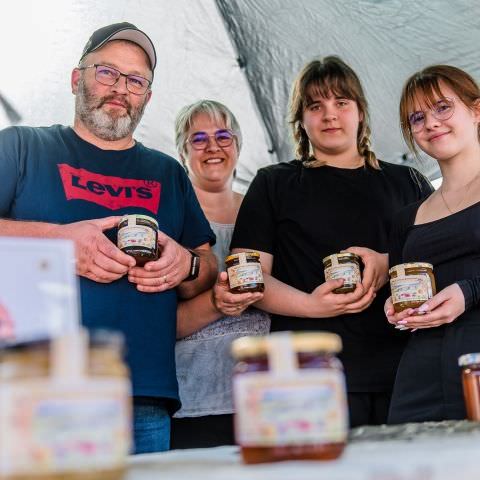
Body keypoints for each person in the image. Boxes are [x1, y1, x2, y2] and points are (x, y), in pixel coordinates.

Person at [0, 22, 217, 453]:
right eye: (107, 73)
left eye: (136, 81)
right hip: (36, 388)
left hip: (144, 395)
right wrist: (59, 243)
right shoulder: (22, 147)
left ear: (148, 98)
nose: (121, 88)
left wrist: (186, 264)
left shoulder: (168, 172)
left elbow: (207, 267)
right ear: (76, 78)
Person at [230, 56, 433, 427]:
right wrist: (312, 306)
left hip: (405, 371)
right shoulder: (273, 183)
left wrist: (387, 263)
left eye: (341, 102)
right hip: (308, 372)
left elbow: (439, 260)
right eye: (315, 105)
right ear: (301, 119)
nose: (329, 115)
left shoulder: (409, 182)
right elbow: (248, 278)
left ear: (360, 112)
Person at [169, 100, 270, 448]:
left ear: (238, 145)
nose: (213, 147)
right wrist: (217, 302)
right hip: (195, 402)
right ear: (183, 152)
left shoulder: (266, 211)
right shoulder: (170, 222)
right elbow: (163, 322)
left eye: (224, 136)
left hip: (267, 397)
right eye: (198, 139)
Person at [385, 65, 480, 423]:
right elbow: (399, 288)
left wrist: (469, 291)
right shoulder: (406, 217)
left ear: (476, 111)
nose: (431, 123)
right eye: (417, 117)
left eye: (443, 107)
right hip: (420, 374)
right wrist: (395, 308)